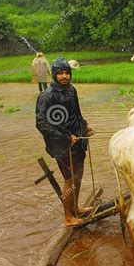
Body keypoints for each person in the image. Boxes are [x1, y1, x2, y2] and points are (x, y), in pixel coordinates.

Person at [35, 57, 95, 227]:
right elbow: (42, 124)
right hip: (61, 145)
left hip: (77, 141)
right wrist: (65, 138)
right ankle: (68, 217)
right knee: (69, 178)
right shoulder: (47, 96)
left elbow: (77, 114)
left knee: (78, 174)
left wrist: (85, 126)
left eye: (66, 73)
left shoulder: (71, 90)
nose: (64, 76)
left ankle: (76, 208)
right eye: (60, 73)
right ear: (54, 75)